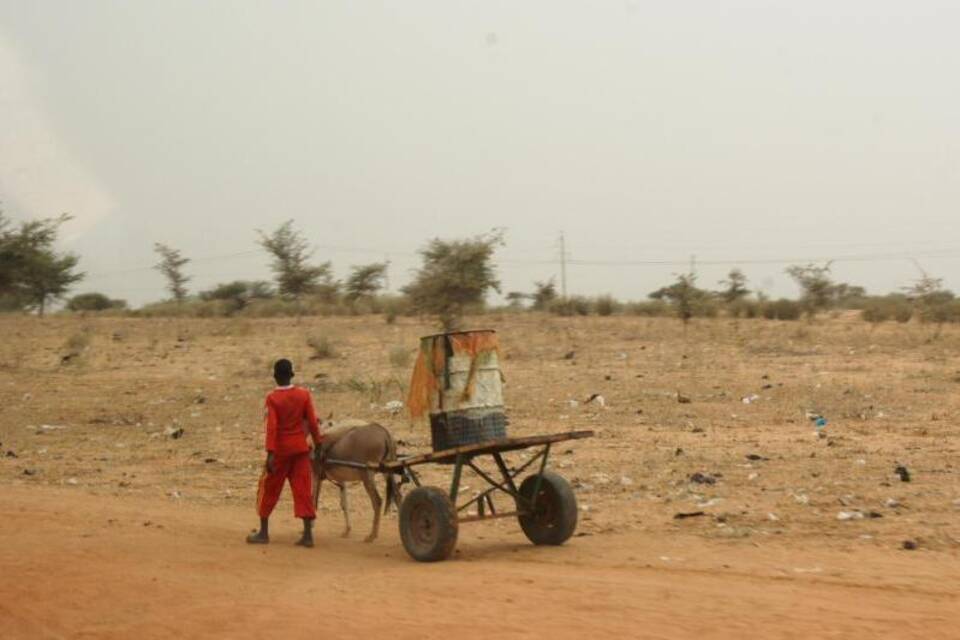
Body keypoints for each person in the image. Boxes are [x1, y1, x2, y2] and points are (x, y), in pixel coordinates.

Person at [246, 358, 323, 547]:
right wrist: (318, 443)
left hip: (280, 452)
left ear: (275, 377)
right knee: (303, 490)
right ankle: (307, 535)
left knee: (269, 489)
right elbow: (312, 422)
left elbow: (272, 428)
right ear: (291, 375)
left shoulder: (272, 398)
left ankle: (263, 532)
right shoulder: (303, 395)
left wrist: (270, 454)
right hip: (300, 450)